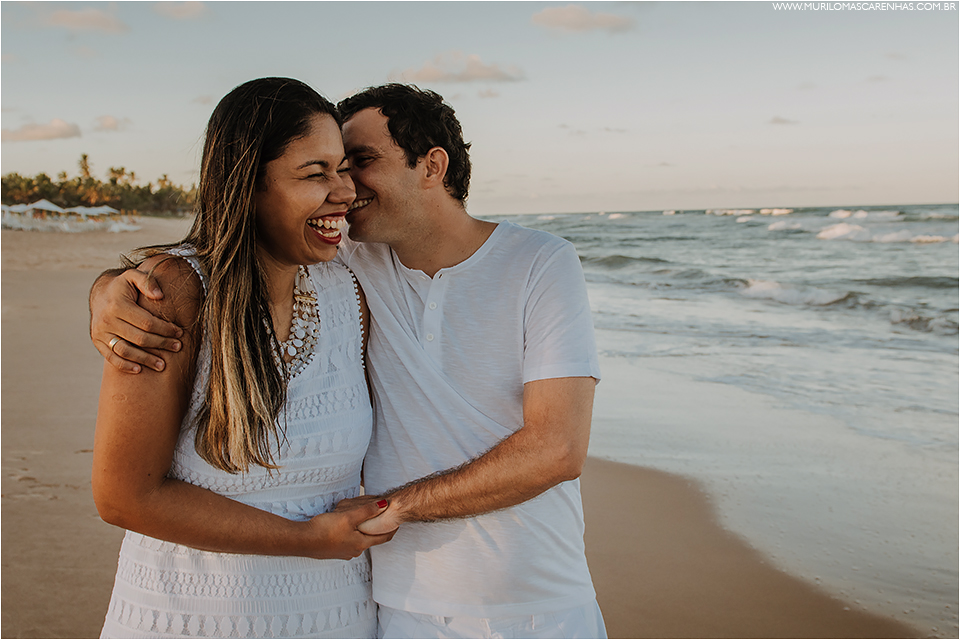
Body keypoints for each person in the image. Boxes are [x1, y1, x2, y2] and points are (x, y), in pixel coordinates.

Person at [90, 83, 606, 639]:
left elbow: (556, 448)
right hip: (353, 607)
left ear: (432, 165)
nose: (346, 188)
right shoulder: (330, 269)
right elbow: (224, 263)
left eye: (357, 163)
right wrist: (110, 294)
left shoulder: (520, 264)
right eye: (325, 170)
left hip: (500, 603)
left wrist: (392, 507)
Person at [90, 77, 396, 639]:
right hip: (189, 618)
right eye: (315, 173)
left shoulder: (348, 294)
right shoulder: (178, 293)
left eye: (343, 168)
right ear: (249, 185)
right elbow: (124, 495)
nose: (344, 191)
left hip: (334, 617)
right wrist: (307, 541)